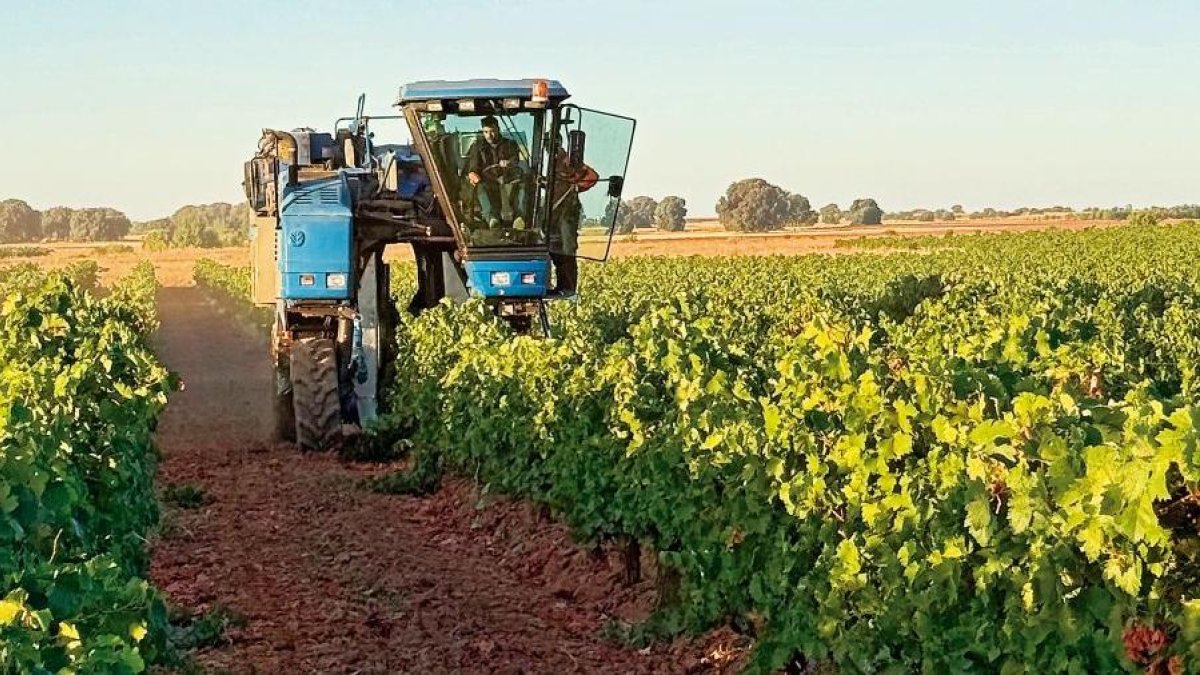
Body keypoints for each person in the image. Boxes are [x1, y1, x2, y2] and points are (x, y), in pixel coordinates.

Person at [547, 132, 599, 295]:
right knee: (550, 248)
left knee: (567, 248)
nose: (550, 147)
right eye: (548, 144)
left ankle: (568, 288)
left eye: (552, 143)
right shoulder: (543, 161)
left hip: (566, 210)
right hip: (548, 211)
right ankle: (557, 286)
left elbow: (592, 177)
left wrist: (576, 187)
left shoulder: (568, 161)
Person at [464, 116, 526, 229]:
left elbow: (515, 160)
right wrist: (472, 174)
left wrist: (508, 163)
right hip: (488, 182)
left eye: (492, 131)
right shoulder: (477, 147)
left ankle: (519, 218)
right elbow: (473, 166)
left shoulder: (510, 144)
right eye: (486, 132)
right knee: (480, 186)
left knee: (523, 184)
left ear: (498, 129)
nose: (489, 135)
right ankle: (492, 219)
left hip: (508, 181)